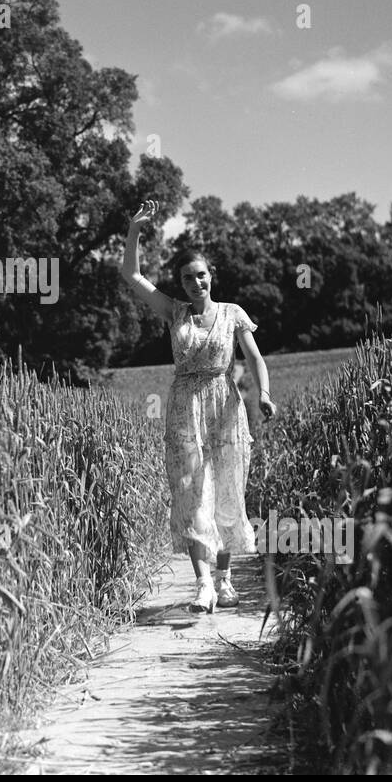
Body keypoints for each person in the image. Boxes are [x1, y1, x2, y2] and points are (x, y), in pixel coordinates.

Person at [120, 200, 276, 612]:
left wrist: (263, 392)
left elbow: (254, 358)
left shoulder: (232, 313)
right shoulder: (175, 312)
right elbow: (131, 275)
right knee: (192, 494)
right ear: (182, 283)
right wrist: (135, 230)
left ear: (211, 277)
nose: (195, 283)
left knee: (227, 492)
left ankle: (224, 580)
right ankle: (203, 584)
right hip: (185, 407)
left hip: (225, 407)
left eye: (201, 275)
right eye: (188, 278)